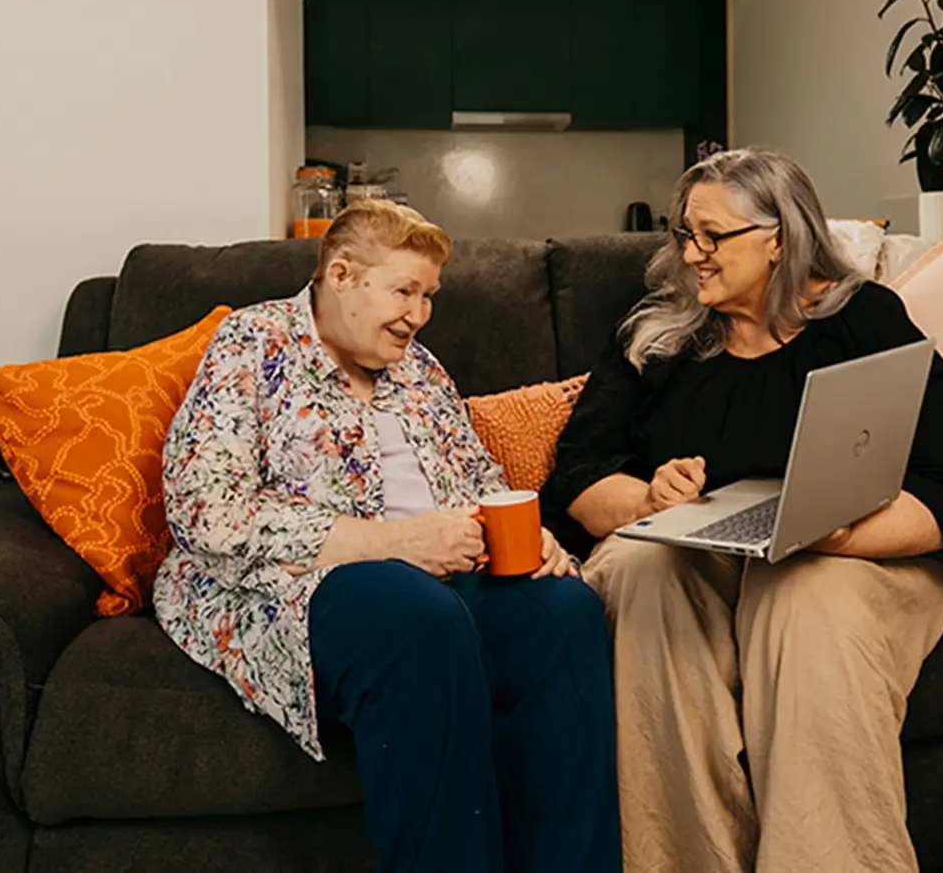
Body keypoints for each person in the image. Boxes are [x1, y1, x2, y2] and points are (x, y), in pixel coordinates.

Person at [541, 148, 943, 873]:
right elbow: (578, 478)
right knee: (638, 568)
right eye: (685, 233)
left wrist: (837, 533)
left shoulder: (865, 319)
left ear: (779, 237)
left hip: (859, 552)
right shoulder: (657, 335)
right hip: (700, 551)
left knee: (803, 595)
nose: (693, 255)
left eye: (712, 236)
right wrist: (649, 498)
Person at [154, 200, 622, 873]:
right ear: (341, 275)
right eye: (405, 291)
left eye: (429, 295)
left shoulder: (422, 371)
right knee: (420, 618)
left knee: (565, 612)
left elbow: (478, 475)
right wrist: (396, 544)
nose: (420, 313)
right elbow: (205, 510)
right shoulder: (253, 344)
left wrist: (531, 536)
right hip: (311, 582)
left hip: (443, 574)